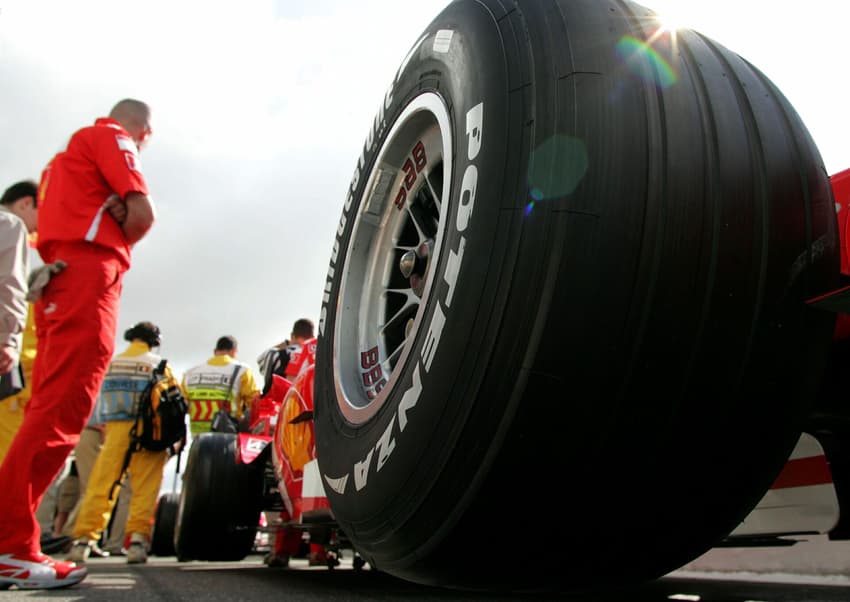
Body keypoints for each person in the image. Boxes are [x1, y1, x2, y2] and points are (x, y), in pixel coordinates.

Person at [0, 99, 156, 590]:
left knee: (47, 411)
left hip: (55, 283)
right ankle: (10, 546)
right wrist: (123, 220)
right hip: (89, 275)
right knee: (63, 411)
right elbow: (142, 214)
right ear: (143, 131)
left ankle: (13, 541)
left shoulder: (57, 165)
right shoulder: (112, 136)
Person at [68, 322, 176, 565]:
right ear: (154, 341)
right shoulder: (159, 365)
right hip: (149, 434)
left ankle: (83, 541)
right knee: (144, 488)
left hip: (114, 431)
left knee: (102, 485)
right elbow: (173, 402)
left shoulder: (112, 363)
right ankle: (137, 542)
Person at [0, 180, 38, 462]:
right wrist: (7, 340)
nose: (38, 230)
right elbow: (9, 285)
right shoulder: (11, 225)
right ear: (26, 203)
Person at [183, 335, 260, 434]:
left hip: (198, 439)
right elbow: (254, 403)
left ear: (215, 352)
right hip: (227, 437)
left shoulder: (190, 373)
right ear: (234, 352)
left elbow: (183, 405)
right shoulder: (242, 371)